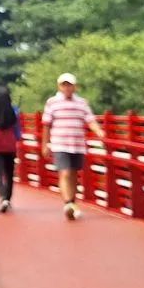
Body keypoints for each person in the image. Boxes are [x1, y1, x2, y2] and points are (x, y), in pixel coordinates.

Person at [41, 73, 105, 221]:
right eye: (64, 85)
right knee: (65, 173)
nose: (67, 88)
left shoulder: (82, 103)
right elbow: (46, 125)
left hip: (77, 144)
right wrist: (45, 145)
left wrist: (100, 132)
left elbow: (90, 120)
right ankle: (68, 203)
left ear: (75, 86)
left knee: (74, 174)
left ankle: (72, 203)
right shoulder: (52, 102)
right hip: (59, 144)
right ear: (59, 86)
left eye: (69, 85)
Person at [0, 86, 22, 213]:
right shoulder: (15, 112)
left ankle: (2, 197)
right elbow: (18, 133)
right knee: (9, 173)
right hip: (10, 146)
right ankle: (8, 198)